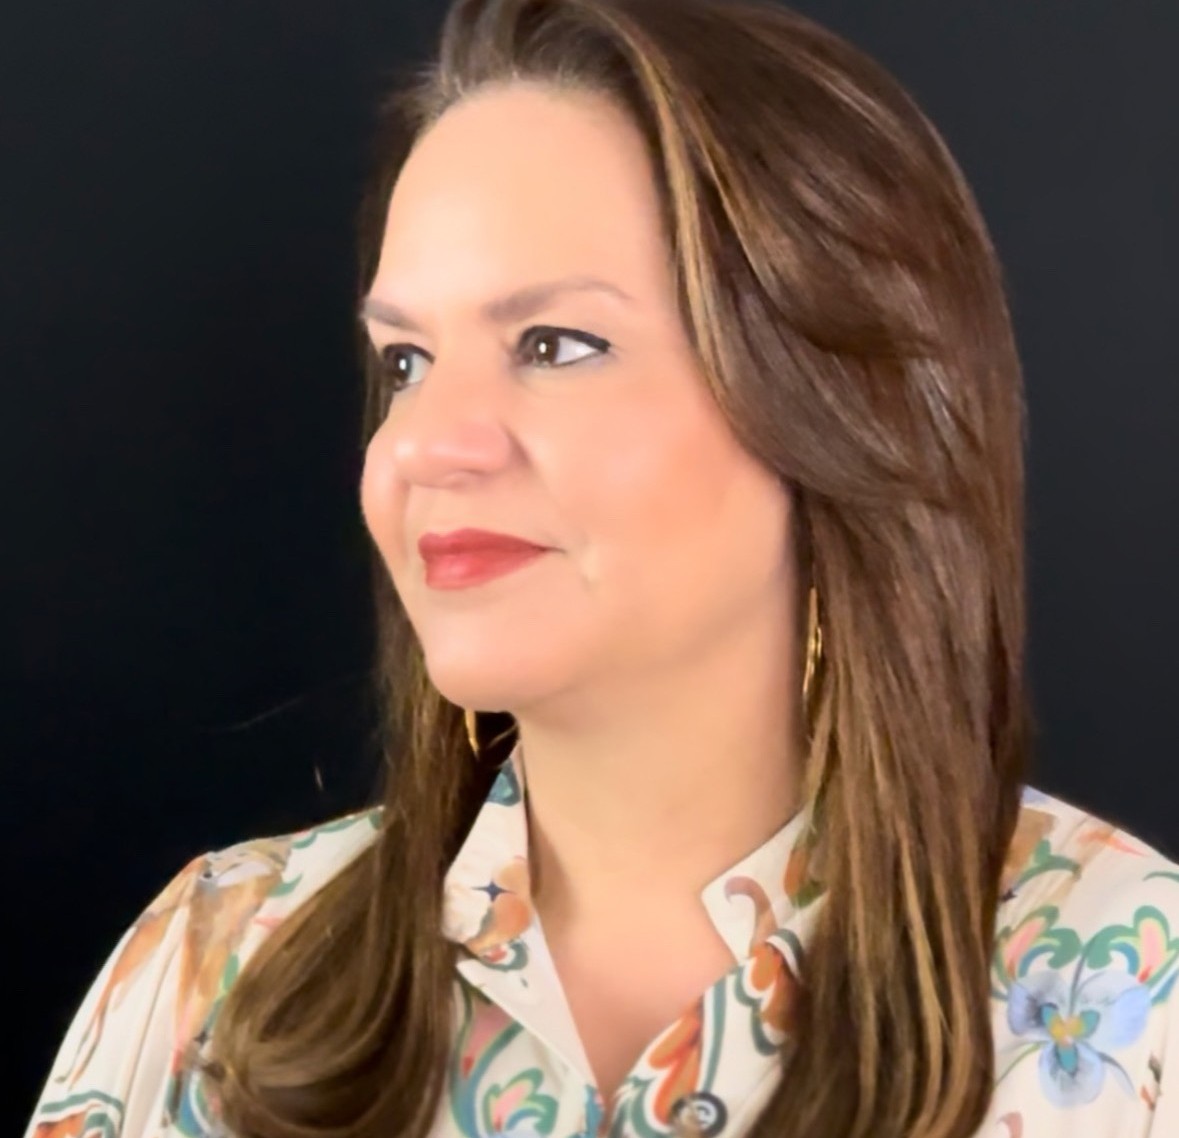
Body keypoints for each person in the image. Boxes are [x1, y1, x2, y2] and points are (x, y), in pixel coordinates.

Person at [25, 0, 1179, 1136]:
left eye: (555, 345)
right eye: (407, 360)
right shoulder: (213, 974)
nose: (425, 443)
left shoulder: (1134, 999)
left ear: (842, 409)